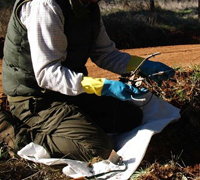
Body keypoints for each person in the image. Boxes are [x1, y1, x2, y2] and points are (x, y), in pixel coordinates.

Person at [2, 0, 174, 162]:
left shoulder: (88, 6)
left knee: (130, 118)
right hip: (36, 99)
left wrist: (143, 65)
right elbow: (48, 74)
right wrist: (100, 86)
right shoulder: (45, 6)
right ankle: (12, 133)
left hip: (69, 92)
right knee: (97, 149)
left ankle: (72, 124)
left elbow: (106, 54)